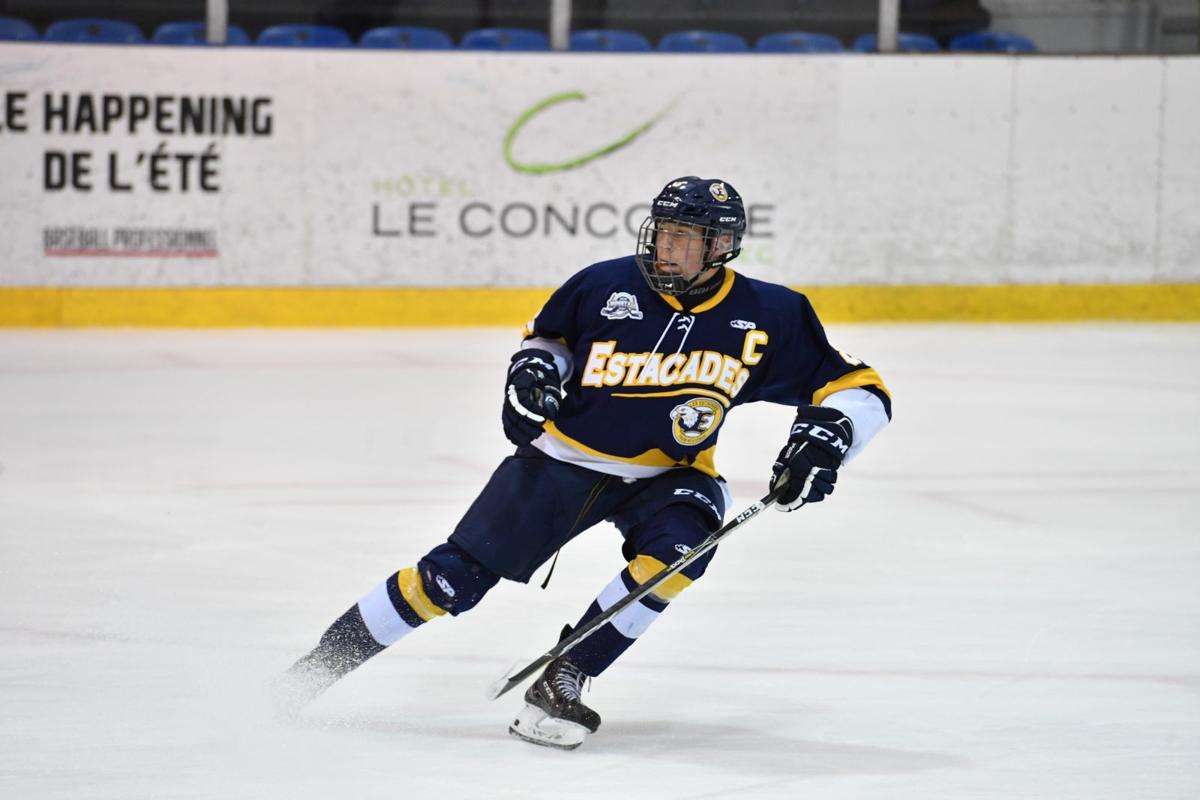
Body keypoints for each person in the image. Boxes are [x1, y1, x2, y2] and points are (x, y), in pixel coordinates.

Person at [284, 176, 893, 750]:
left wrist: (829, 436)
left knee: (680, 555)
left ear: (722, 246)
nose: (664, 247)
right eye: (661, 231)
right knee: (447, 581)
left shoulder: (770, 314)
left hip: (673, 475)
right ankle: (311, 673)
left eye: (683, 237)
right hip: (562, 462)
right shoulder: (604, 286)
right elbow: (550, 343)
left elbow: (858, 385)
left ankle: (566, 674)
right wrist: (534, 373)